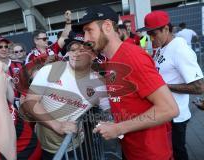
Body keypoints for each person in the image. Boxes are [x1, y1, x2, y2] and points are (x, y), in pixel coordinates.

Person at [72, 5, 179, 160]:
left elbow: (169, 109)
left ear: (107, 26)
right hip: (133, 150)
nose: (86, 38)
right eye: (84, 32)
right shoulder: (112, 60)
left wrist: (118, 128)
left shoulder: (132, 57)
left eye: (89, 30)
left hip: (152, 154)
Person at [20, 31, 109, 160]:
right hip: (42, 145)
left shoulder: (99, 84)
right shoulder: (50, 70)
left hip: (74, 147)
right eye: (72, 50)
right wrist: (57, 125)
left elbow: (108, 113)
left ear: (93, 55)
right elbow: (31, 101)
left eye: (82, 50)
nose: (76, 54)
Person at [142, 11, 204, 160]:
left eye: (153, 34)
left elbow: (199, 87)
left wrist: (165, 86)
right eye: (148, 34)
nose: (150, 39)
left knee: (178, 152)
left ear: (166, 29)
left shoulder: (180, 49)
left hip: (176, 116)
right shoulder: (162, 46)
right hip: (164, 111)